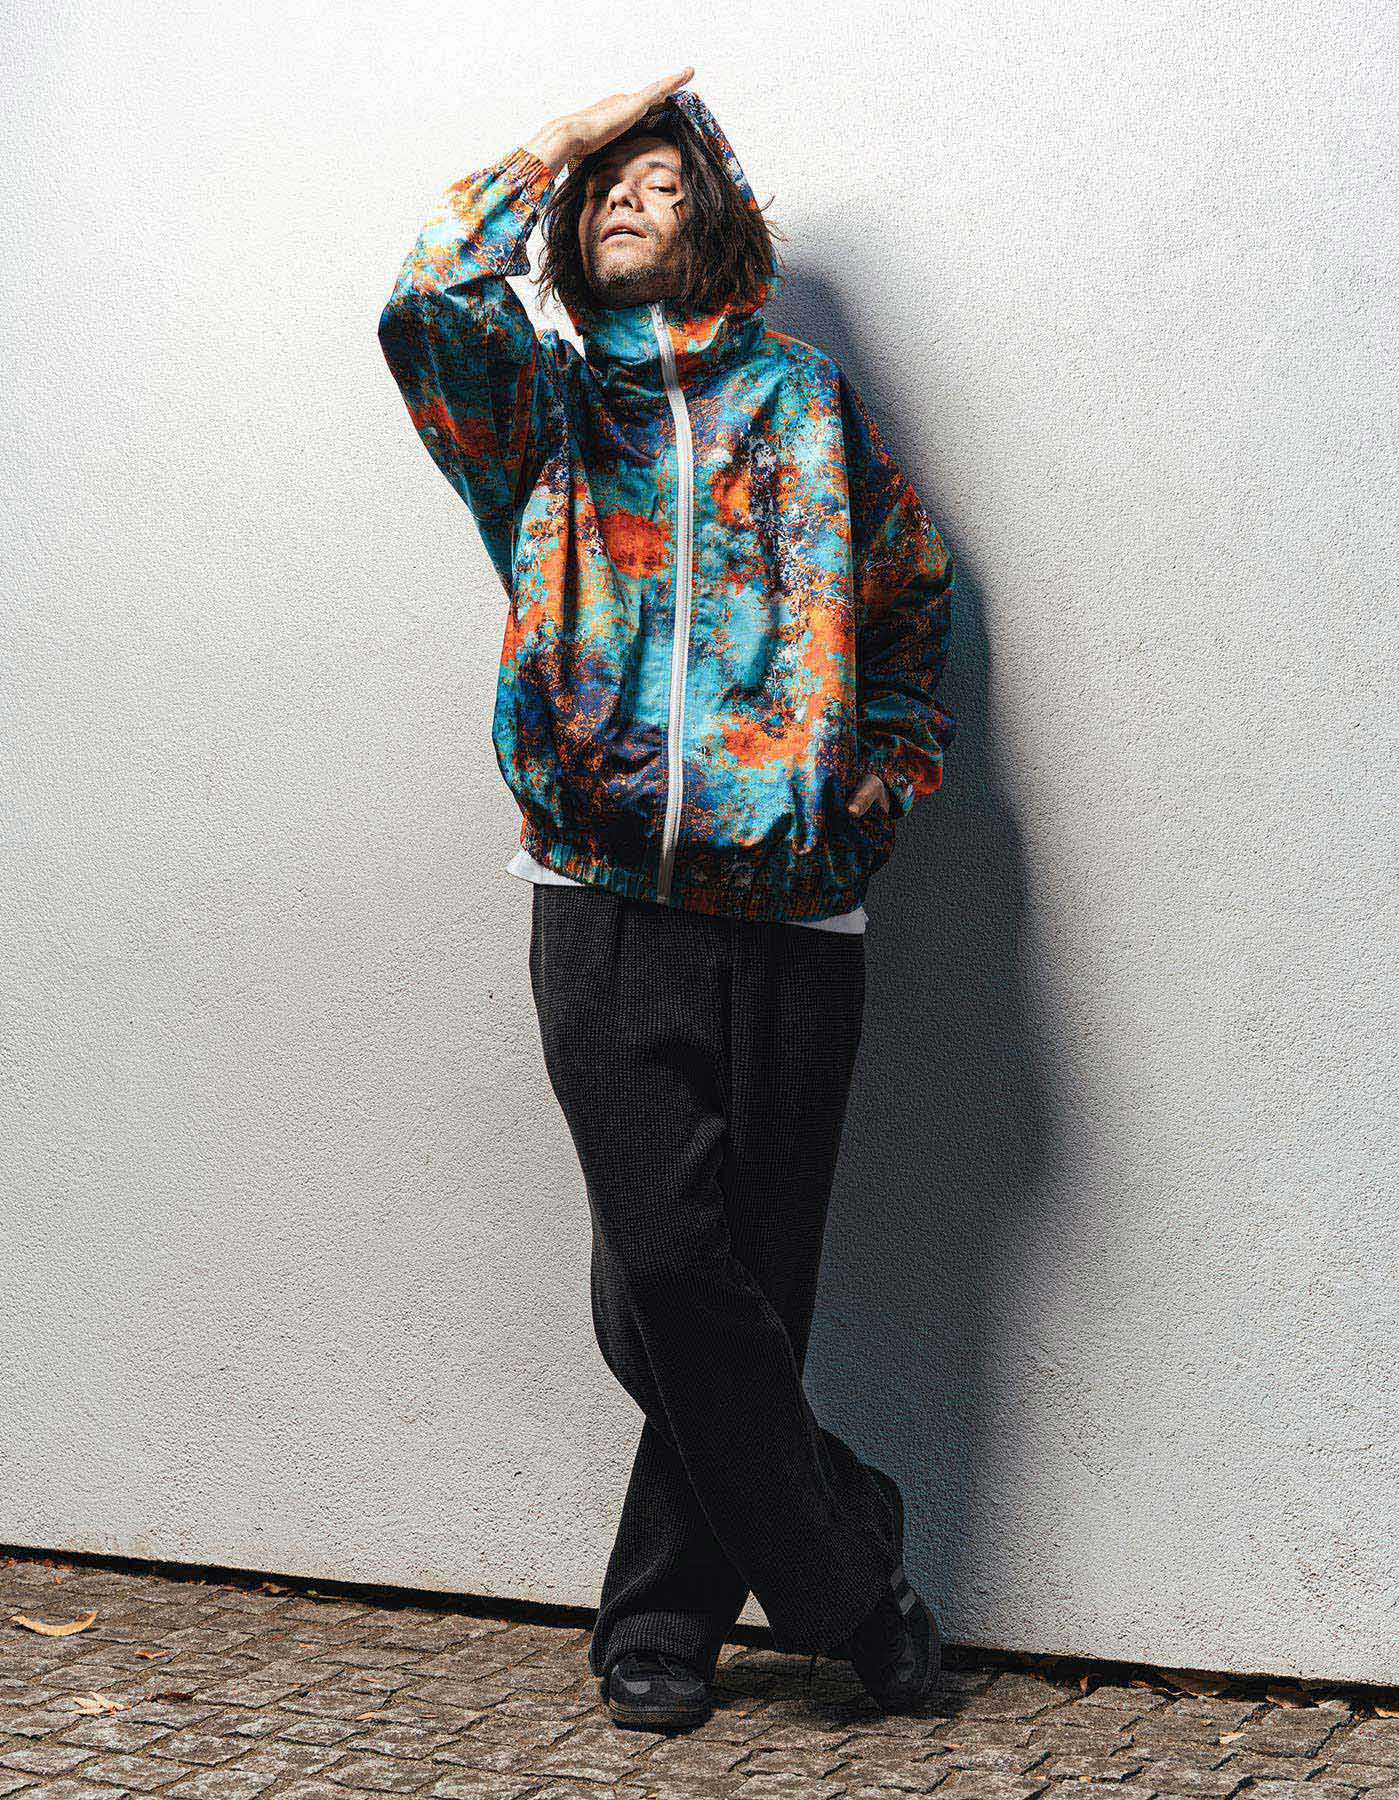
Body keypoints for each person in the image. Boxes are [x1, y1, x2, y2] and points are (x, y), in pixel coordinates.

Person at [377, 67, 957, 1733]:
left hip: (797, 910)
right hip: (602, 895)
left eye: (666, 182)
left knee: (748, 1288)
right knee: (665, 1282)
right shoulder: (541, 414)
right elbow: (427, 300)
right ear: (572, 225)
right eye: (608, 188)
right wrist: (560, 139)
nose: (635, 199)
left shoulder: (807, 405)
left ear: (717, 220)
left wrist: (886, 779)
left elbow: (911, 594)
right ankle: (851, 1570)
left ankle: (661, 1626)